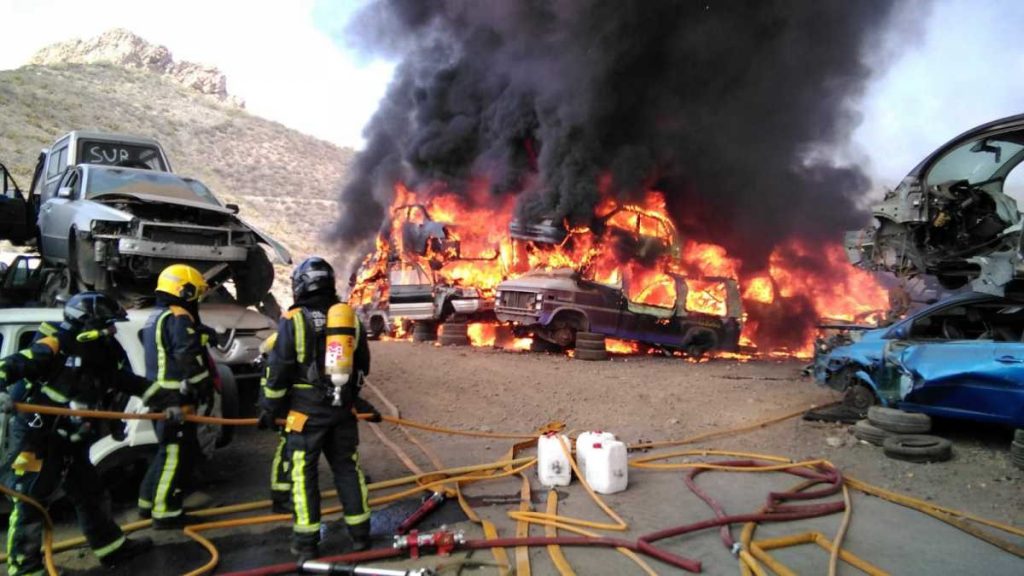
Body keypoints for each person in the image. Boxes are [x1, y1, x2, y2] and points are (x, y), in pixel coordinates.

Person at [0, 292, 153, 573]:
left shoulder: (101, 354)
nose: (113, 330)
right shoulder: (53, 346)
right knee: (30, 502)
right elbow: (10, 366)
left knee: (91, 494)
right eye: (108, 325)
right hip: (37, 442)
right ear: (86, 324)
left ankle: (112, 548)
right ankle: (25, 569)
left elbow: (124, 381)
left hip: (70, 442)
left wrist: (168, 398)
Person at [258, 256, 382, 559]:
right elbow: (362, 365)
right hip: (342, 410)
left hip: (305, 415)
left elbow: (280, 368)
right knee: (347, 468)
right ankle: (360, 534)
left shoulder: (295, 320)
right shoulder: (348, 318)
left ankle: (306, 542)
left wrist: (269, 407)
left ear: (301, 285)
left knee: (303, 474)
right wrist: (351, 398)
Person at [137, 263, 215, 528]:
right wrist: (203, 385)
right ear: (185, 291)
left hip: (160, 397)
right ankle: (165, 511)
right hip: (175, 400)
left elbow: (171, 348)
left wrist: (200, 335)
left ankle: (147, 502)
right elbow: (186, 355)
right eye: (196, 293)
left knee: (165, 451)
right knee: (175, 454)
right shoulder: (179, 316)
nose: (197, 300)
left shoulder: (158, 315)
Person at [258, 332, 294, 514]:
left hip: (287, 411)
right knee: (287, 451)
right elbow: (271, 392)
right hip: (285, 413)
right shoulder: (275, 365)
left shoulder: (272, 360)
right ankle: (280, 498)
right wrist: (270, 413)